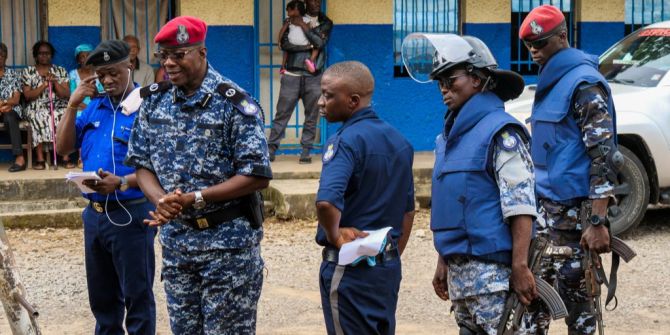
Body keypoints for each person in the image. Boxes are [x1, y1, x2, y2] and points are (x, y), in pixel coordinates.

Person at [125, 16, 272, 334]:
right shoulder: (154, 102)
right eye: (164, 55)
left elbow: (257, 174)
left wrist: (197, 198)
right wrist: (161, 201)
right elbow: (141, 164)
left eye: (179, 54)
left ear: (202, 52)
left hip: (228, 249)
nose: (169, 63)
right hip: (178, 247)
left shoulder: (233, 103)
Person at [402, 33, 537, 334]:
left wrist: (520, 266)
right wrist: (443, 260)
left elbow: (521, 206)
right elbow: (453, 208)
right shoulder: (448, 139)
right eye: (440, 83)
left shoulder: (502, 133)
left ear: (477, 79)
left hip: (496, 280)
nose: (444, 90)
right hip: (461, 281)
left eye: (451, 80)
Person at [518, 5, 620, 334]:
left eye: (541, 43)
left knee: (581, 317)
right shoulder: (551, 81)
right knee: (531, 311)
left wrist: (597, 221)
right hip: (544, 218)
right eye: (529, 45)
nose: (534, 51)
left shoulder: (584, 84)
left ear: (562, 36)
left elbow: (603, 155)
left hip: (577, 222)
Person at [55, 40, 157, 334]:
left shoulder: (146, 107)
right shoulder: (94, 108)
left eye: (114, 72)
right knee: (102, 300)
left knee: (137, 297)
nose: (108, 80)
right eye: (101, 76)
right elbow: (63, 148)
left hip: (132, 214)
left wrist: (123, 182)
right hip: (95, 216)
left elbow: (162, 167)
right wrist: (73, 104)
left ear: (129, 65)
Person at [315, 61, 415, 334]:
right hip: (386, 269)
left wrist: (335, 236)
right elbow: (408, 211)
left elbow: (326, 201)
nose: (320, 103)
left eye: (328, 95)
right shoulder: (401, 141)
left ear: (353, 101)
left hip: (350, 269)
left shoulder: (344, 141)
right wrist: (389, 257)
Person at [268, 0, 332, 163]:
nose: (316, 3)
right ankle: (271, 149)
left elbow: (319, 43)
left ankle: (306, 151)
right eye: (312, 0)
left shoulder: (326, 23)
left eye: (319, 1)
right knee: (282, 113)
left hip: (314, 76)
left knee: (312, 114)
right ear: (306, 2)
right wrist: (307, 47)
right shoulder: (291, 20)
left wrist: (304, 27)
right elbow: (284, 44)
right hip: (291, 73)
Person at [22, 41, 72, 169]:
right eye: (41, 54)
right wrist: (43, 85)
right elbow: (28, 96)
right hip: (35, 106)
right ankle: (40, 158)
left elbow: (66, 94)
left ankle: (65, 156)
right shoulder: (28, 71)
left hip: (57, 104)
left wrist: (55, 83)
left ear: (52, 55)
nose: (44, 56)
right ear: (36, 55)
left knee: (63, 115)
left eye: (47, 53)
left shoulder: (60, 71)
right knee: (39, 116)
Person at [0, 42, 28, 172]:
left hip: (11, 110)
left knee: (10, 116)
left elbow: (16, 99)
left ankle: (20, 158)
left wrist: (4, 104)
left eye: (2, 55)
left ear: (6, 57)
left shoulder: (13, 75)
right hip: (3, 108)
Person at [278, 0, 319, 74]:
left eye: (289, 11)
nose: (287, 13)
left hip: (291, 42)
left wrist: (279, 41)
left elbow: (282, 31)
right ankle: (311, 61)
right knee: (317, 46)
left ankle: (283, 66)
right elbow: (309, 32)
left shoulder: (289, 20)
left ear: (296, 10)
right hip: (304, 43)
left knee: (286, 51)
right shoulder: (306, 20)